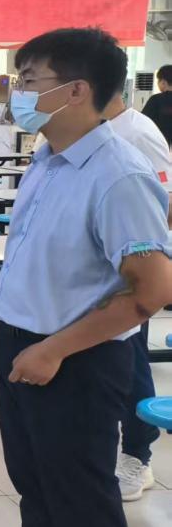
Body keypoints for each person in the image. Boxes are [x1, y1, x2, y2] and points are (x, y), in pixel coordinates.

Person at [0, 28, 172, 527]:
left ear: (75, 89)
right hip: (25, 344)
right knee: (36, 484)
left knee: (81, 496)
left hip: (78, 357)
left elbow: (150, 291)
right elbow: (35, 265)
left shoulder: (119, 175)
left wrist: (53, 349)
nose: (16, 93)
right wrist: (0, 339)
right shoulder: (48, 160)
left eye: (29, 80)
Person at [101, 86, 172, 501]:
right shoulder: (84, 132)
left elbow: (165, 204)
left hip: (130, 270)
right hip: (93, 273)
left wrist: (141, 259)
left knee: (130, 361)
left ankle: (137, 455)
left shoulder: (138, 132)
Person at [141, 63, 172, 145]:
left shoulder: (155, 99)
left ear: (163, 82)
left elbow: (143, 122)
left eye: (158, 81)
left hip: (159, 145)